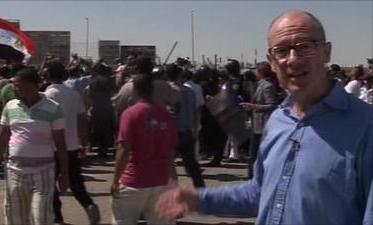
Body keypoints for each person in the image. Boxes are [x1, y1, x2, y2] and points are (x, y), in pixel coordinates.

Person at [156, 10, 373, 225]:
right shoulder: (279, 120)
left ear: (326, 52)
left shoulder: (365, 126)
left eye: (305, 47)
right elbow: (260, 192)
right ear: (271, 61)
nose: (292, 59)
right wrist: (200, 199)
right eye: (281, 51)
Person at [0, 67, 69, 225]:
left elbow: (60, 143)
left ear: (31, 85)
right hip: (15, 172)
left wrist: (65, 173)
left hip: (44, 171)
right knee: (15, 218)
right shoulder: (10, 107)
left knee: (42, 218)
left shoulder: (53, 108)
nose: (13, 88)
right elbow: (1, 140)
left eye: (17, 85)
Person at [110, 72, 178, 225]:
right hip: (161, 179)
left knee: (123, 219)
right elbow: (170, 151)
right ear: (152, 90)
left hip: (134, 179)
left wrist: (115, 180)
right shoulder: (165, 114)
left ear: (134, 90)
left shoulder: (130, 114)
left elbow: (123, 149)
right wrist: (173, 179)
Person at [43, 61, 100, 225]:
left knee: (50, 184)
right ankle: (88, 205)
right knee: (76, 181)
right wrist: (84, 142)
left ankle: (57, 216)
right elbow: (82, 120)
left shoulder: (46, 96)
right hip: (71, 145)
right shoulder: (74, 95)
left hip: (50, 146)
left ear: (47, 76)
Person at [166, 63, 205, 187]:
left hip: (173, 132)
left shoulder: (170, 90)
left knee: (169, 164)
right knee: (192, 165)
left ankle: (173, 191)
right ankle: (202, 191)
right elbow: (195, 112)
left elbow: (171, 113)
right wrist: (195, 130)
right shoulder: (189, 90)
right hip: (188, 131)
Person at [240, 61, 278, 178]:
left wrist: (254, 106)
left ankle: (254, 178)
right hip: (257, 125)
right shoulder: (260, 85)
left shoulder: (267, 86)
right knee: (253, 155)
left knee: (255, 155)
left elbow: (271, 105)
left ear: (260, 72)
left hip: (263, 126)